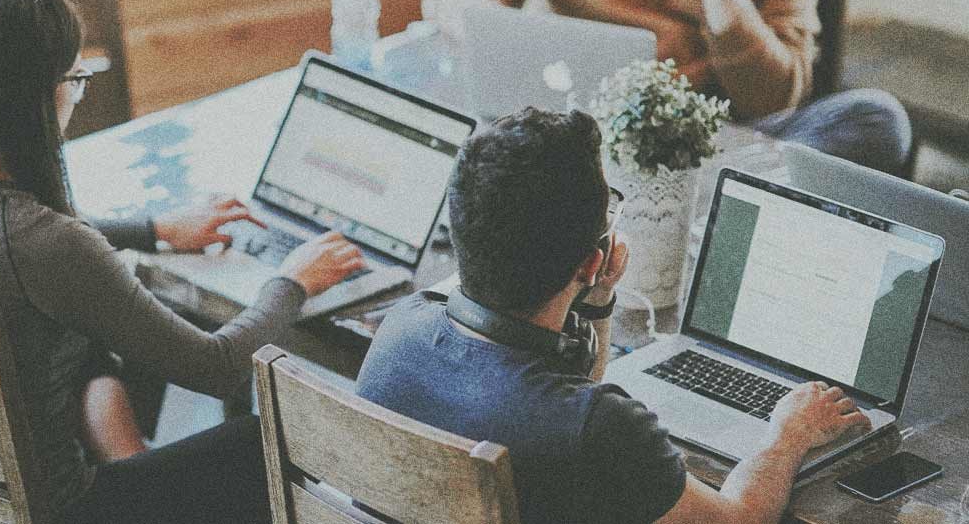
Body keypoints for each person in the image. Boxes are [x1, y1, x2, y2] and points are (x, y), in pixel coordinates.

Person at [0, 0, 364, 524]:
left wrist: (155, 229)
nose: (78, 94)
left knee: (95, 347)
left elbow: (53, 249)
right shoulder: (46, 244)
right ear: (34, 96)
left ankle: (133, 457)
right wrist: (293, 280)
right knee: (253, 444)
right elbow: (216, 366)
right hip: (60, 512)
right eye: (76, 79)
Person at [355, 107, 870, 524]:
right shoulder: (600, 427)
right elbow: (738, 520)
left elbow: (561, 390)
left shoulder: (400, 330)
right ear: (592, 259)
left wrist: (596, 300)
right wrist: (790, 434)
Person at [422, 0, 911, 175]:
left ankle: (679, 204)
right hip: (574, 120)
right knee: (434, 90)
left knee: (877, 120)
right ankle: (695, 211)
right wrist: (510, 42)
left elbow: (774, 98)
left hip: (707, 143)